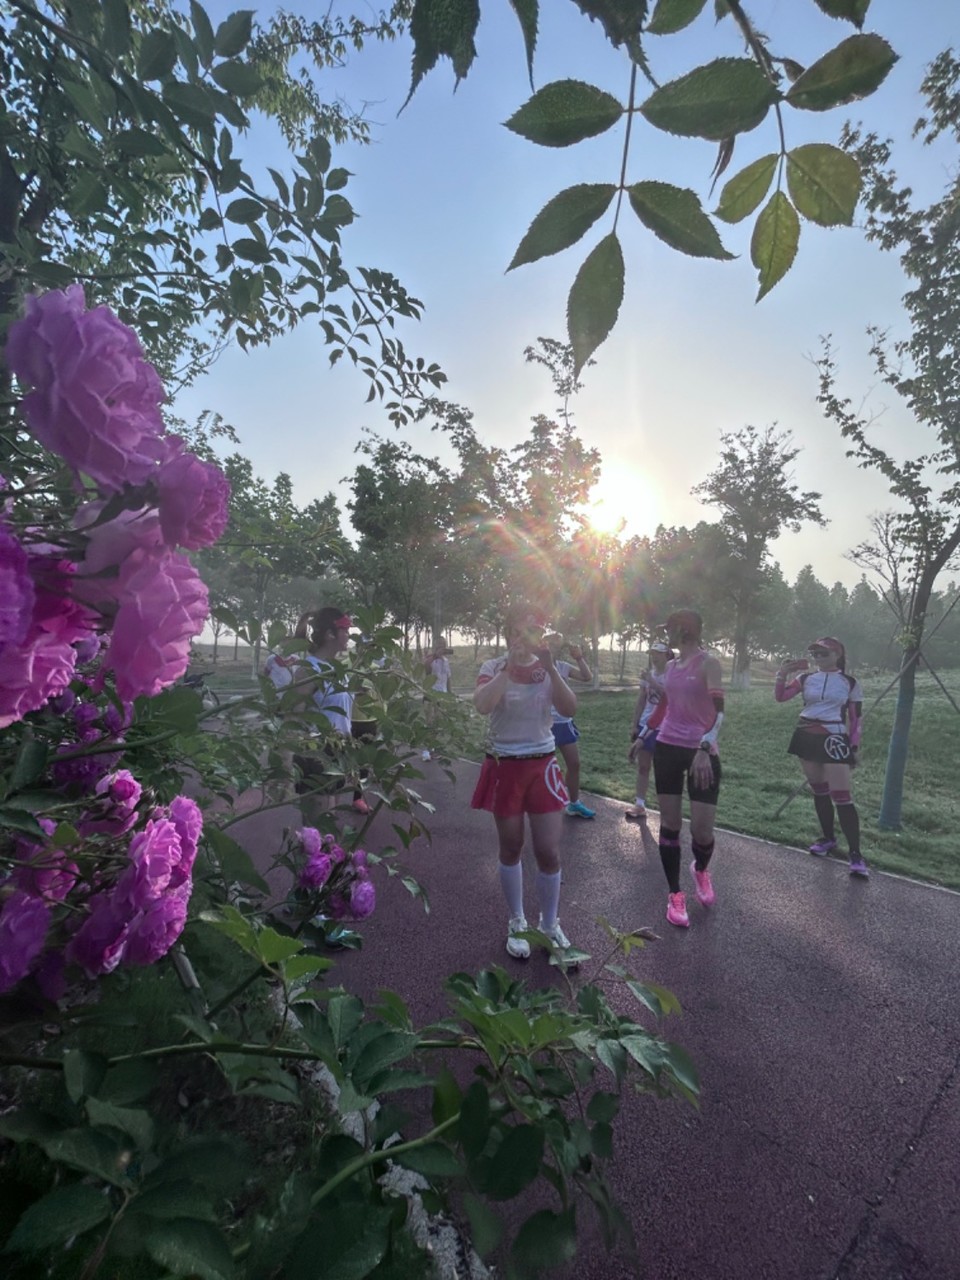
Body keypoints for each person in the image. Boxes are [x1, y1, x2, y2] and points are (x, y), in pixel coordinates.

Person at [471, 606, 579, 963]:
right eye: (518, 632)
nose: (524, 639)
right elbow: (482, 705)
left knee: (548, 850)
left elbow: (570, 708)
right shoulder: (493, 667)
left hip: (542, 763)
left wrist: (550, 668)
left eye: (532, 632)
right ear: (508, 635)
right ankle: (517, 921)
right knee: (511, 846)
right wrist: (509, 669)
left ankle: (549, 925)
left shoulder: (549, 667)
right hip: (505, 763)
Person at [647, 609, 725, 929]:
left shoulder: (709, 664)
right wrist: (645, 734)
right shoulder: (670, 666)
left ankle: (701, 870)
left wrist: (704, 748)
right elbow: (667, 705)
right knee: (670, 824)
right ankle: (675, 895)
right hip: (667, 747)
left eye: (670, 629)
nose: (666, 634)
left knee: (702, 832)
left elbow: (720, 712)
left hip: (700, 752)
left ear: (685, 631)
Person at [775, 636, 869, 878]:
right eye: (815, 654)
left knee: (842, 796)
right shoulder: (805, 678)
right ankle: (828, 838)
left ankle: (856, 854)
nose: (818, 658)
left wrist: (854, 747)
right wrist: (782, 674)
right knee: (819, 791)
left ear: (838, 655)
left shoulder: (849, 682)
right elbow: (781, 696)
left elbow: (856, 718)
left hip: (834, 737)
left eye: (824, 653)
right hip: (806, 734)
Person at [287, 607, 369, 822]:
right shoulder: (309, 670)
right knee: (317, 827)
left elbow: (338, 713)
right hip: (316, 754)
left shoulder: (336, 669)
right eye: (345, 630)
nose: (349, 635)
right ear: (330, 634)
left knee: (330, 824)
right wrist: (287, 766)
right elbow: (293, 719)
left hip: (337, 753)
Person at [544, 633, 596, 819]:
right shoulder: (535, 666)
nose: (553, 647)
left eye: (557, 644)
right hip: (543, 724)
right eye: (550, 643)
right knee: (542, 768)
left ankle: (573, 804)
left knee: (574, 764)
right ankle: (541, 808)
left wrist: (579, 657)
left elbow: (587, 676)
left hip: (563, 722)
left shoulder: (562, 667)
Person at [625, 640, 673, 821]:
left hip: (666, 728)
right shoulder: (647, 675)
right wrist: (635, 724)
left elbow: (670, 697)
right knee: (643, 766)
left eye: (658, 653)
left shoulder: (672, 675)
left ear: (666, 655)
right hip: (646, 726)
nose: (654, 657)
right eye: (652, 653)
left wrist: (652, 681)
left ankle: (667, 810)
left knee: (664, 770)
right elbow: (641, 700)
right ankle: (639, 804)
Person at [421, 644, 452, 761]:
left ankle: (432, 749)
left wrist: (450, 695)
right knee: (429, 723)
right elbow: (426, 670)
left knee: (437, 724)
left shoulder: (446, 661)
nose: (443, 648)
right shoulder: (430, 660)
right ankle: (425, 751)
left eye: (444, 645)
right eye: (440, 646)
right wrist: (434, 656)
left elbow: (448, 678)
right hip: (430, 694)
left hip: (442, 695)